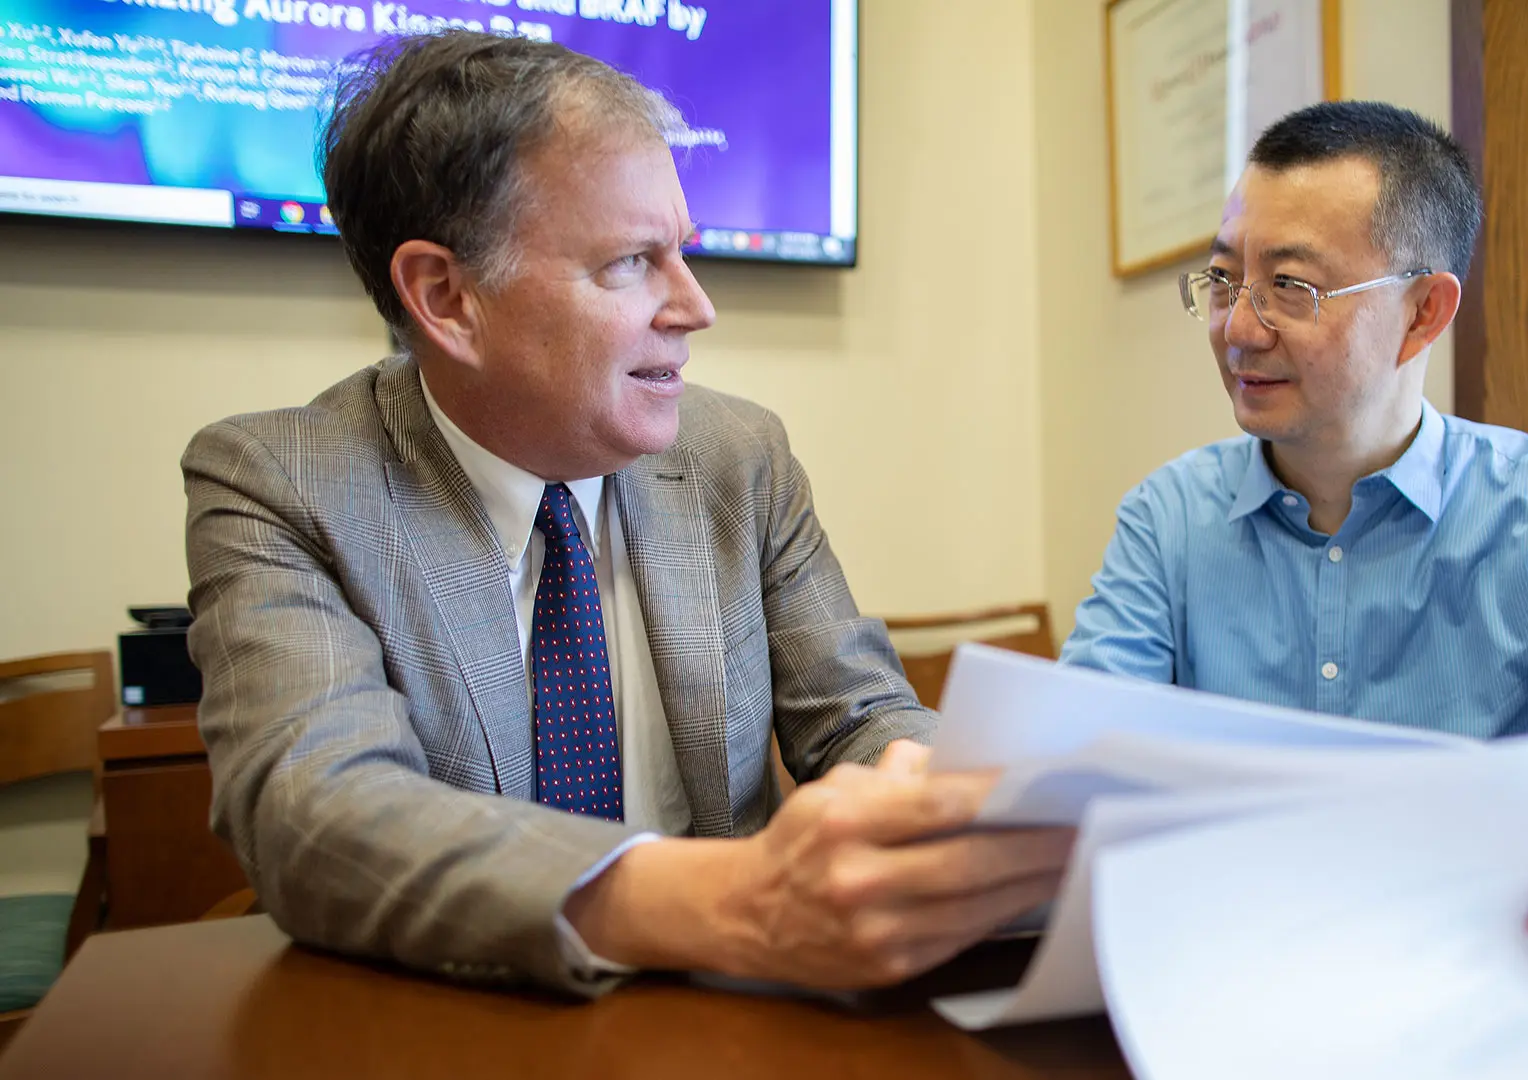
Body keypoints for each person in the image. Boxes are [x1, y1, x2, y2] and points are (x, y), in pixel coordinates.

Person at [182, 30, 1068, 997]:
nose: (695, 307)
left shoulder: (740, 456)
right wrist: (731, 899)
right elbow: (314, 816)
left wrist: (980, 807)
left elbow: (858, 719)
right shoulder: (281, 480)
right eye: (631, 263)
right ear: (446, 297)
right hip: (459, 1021)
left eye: (680, 252)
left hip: (734, 1021)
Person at [1059, 100, 1528, 983]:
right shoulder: (1167, 520)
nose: (1238, 328)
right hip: (1238, 974)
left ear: (1423, 313)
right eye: (1223, 279)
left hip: (1487, 979)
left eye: (1291, 286)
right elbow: (1073, 768)